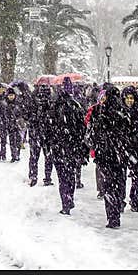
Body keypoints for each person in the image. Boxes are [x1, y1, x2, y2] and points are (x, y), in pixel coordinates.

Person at [85, 86, 128, 228]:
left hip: (105, 153)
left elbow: (91, 132)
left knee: (109, 185)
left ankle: (112, 215)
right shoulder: (122, 112)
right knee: (118, 183)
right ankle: (117, 207)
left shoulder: (99, 111)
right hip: (118, 154)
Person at [49, 76, 87, 214]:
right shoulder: (76, 106)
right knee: (70, 175)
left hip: (61, 147)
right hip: (71, 147)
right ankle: (69, 197)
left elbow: (50, 128)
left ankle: (66, 201)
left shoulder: (55, 106)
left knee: (63, 176)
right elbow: (82, 128)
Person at [28, 84, 55, 187]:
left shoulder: (34, 102)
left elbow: (29, 116)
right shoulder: (51, 103)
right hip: (46, 134)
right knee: (47, 157)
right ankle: (46, 177)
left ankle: (33, 176)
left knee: (35, 156)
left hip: (38, 133)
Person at [4, 86, 22, 162]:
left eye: (12, 95)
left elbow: (21, 113)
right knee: (12, 142)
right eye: (9, 95)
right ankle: (14, 156)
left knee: (18, 141)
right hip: (10, 126)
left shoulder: (18, 103)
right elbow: (5, 115)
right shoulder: (5, 104)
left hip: (17, 126)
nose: (11, 97)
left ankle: (17, 154)